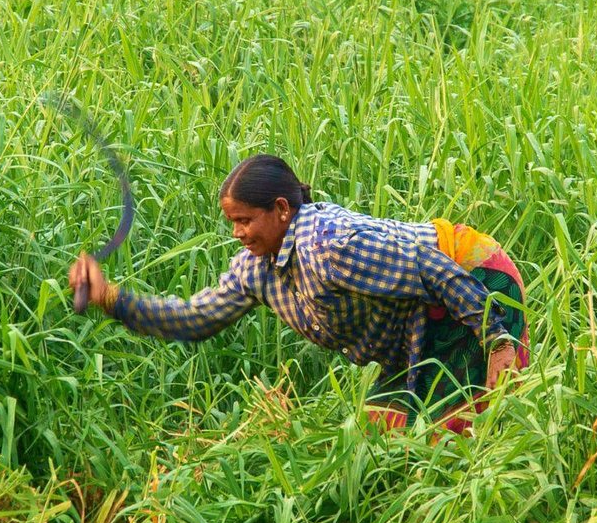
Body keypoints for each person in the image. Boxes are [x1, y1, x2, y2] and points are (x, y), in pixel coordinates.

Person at [66, 153, 529, 433]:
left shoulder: (331, 244)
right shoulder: (256, 270)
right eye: (232, 223)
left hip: (474, 284)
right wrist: (110, 297)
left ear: (282, 209)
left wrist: (499, 342)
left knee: (464, 432)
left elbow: (432, 267)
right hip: (419, 319)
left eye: (245, 220)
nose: (237, 233)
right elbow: (196, 319)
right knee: (378, 432)